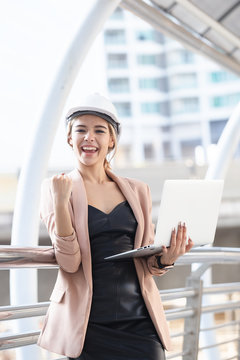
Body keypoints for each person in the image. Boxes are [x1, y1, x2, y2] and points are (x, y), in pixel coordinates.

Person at [37, 93, 194, 359]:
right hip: (87, 328)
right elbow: (69, 263)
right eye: (81, 130)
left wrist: (166, 259)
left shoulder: (138, 190)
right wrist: (62, 203)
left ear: (111, 140)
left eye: (99, 130)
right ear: (69, 138)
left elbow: (148, 262)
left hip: (141, 324)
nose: (89, 137)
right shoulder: (54, 188)